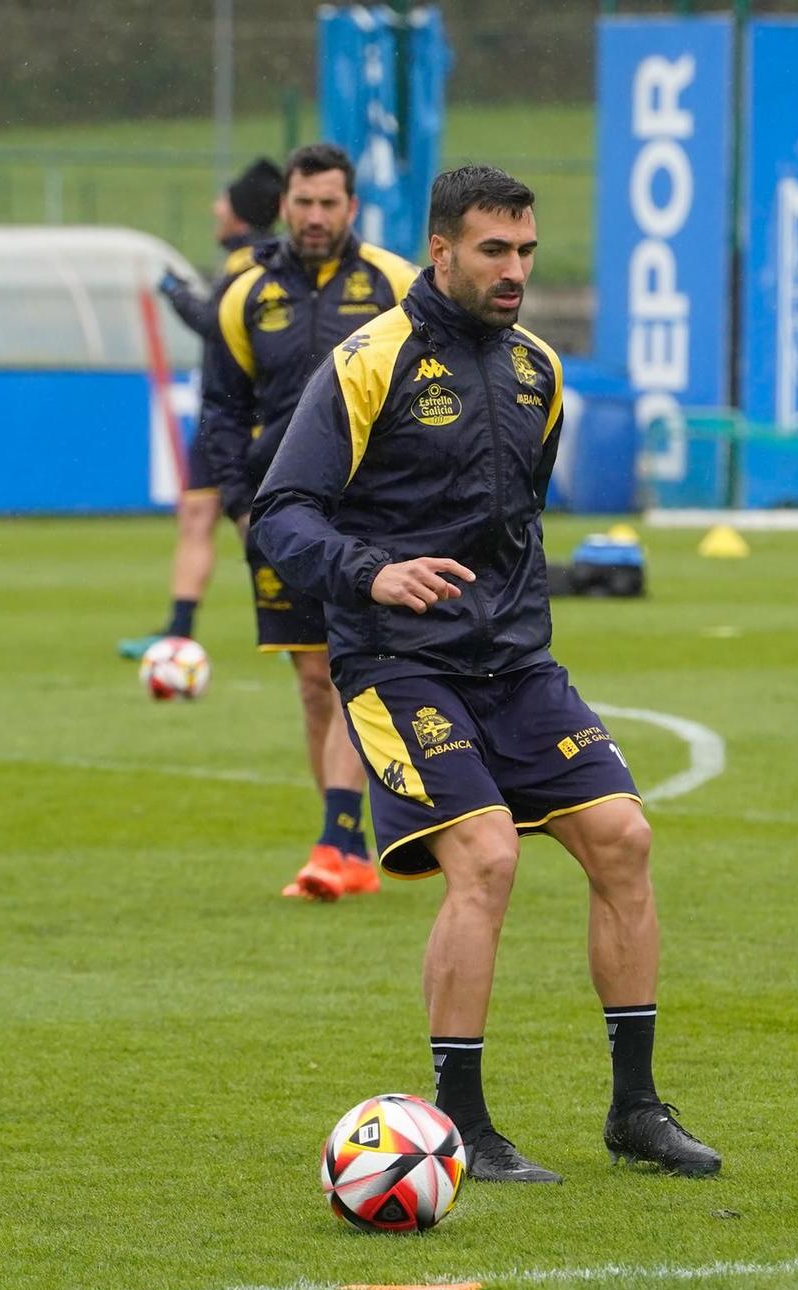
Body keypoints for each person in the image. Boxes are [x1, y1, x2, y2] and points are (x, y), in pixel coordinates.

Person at [251, 164, 721, 1182]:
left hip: (514, 663)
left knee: (624, 838)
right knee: (487, 855)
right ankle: (458, 1121)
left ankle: (635, 1110)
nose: (515, 271)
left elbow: (515, 527)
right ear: (440, 249)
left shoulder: (536, 372)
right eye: (493, 251)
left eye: (527, 253)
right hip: (396, 666)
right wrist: (374, 570)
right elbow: (280, 515)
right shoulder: (366, 362)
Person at [199, 143, 418, 901]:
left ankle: (338, 841)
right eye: (304, 203)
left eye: (330, 204)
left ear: (352, 208)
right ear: (285, 205)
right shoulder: (244, 295)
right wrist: (237, 502)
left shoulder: (397, 284)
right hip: (282, 513)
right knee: (313, 682)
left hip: (372, 514)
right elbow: (222, 410)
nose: (316, 217)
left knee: (350, 671)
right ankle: (347, 841)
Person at [119, 158, 284, 660]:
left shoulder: (256, 265)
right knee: (196, 516)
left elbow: (214, 323)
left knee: (260, 521)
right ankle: (179, 629)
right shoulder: (247, 262)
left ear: (239, 214)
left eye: (224, 202)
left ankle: (295, 620)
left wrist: (174, 293)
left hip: (247, 416)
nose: (216, 208)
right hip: (220, 415)